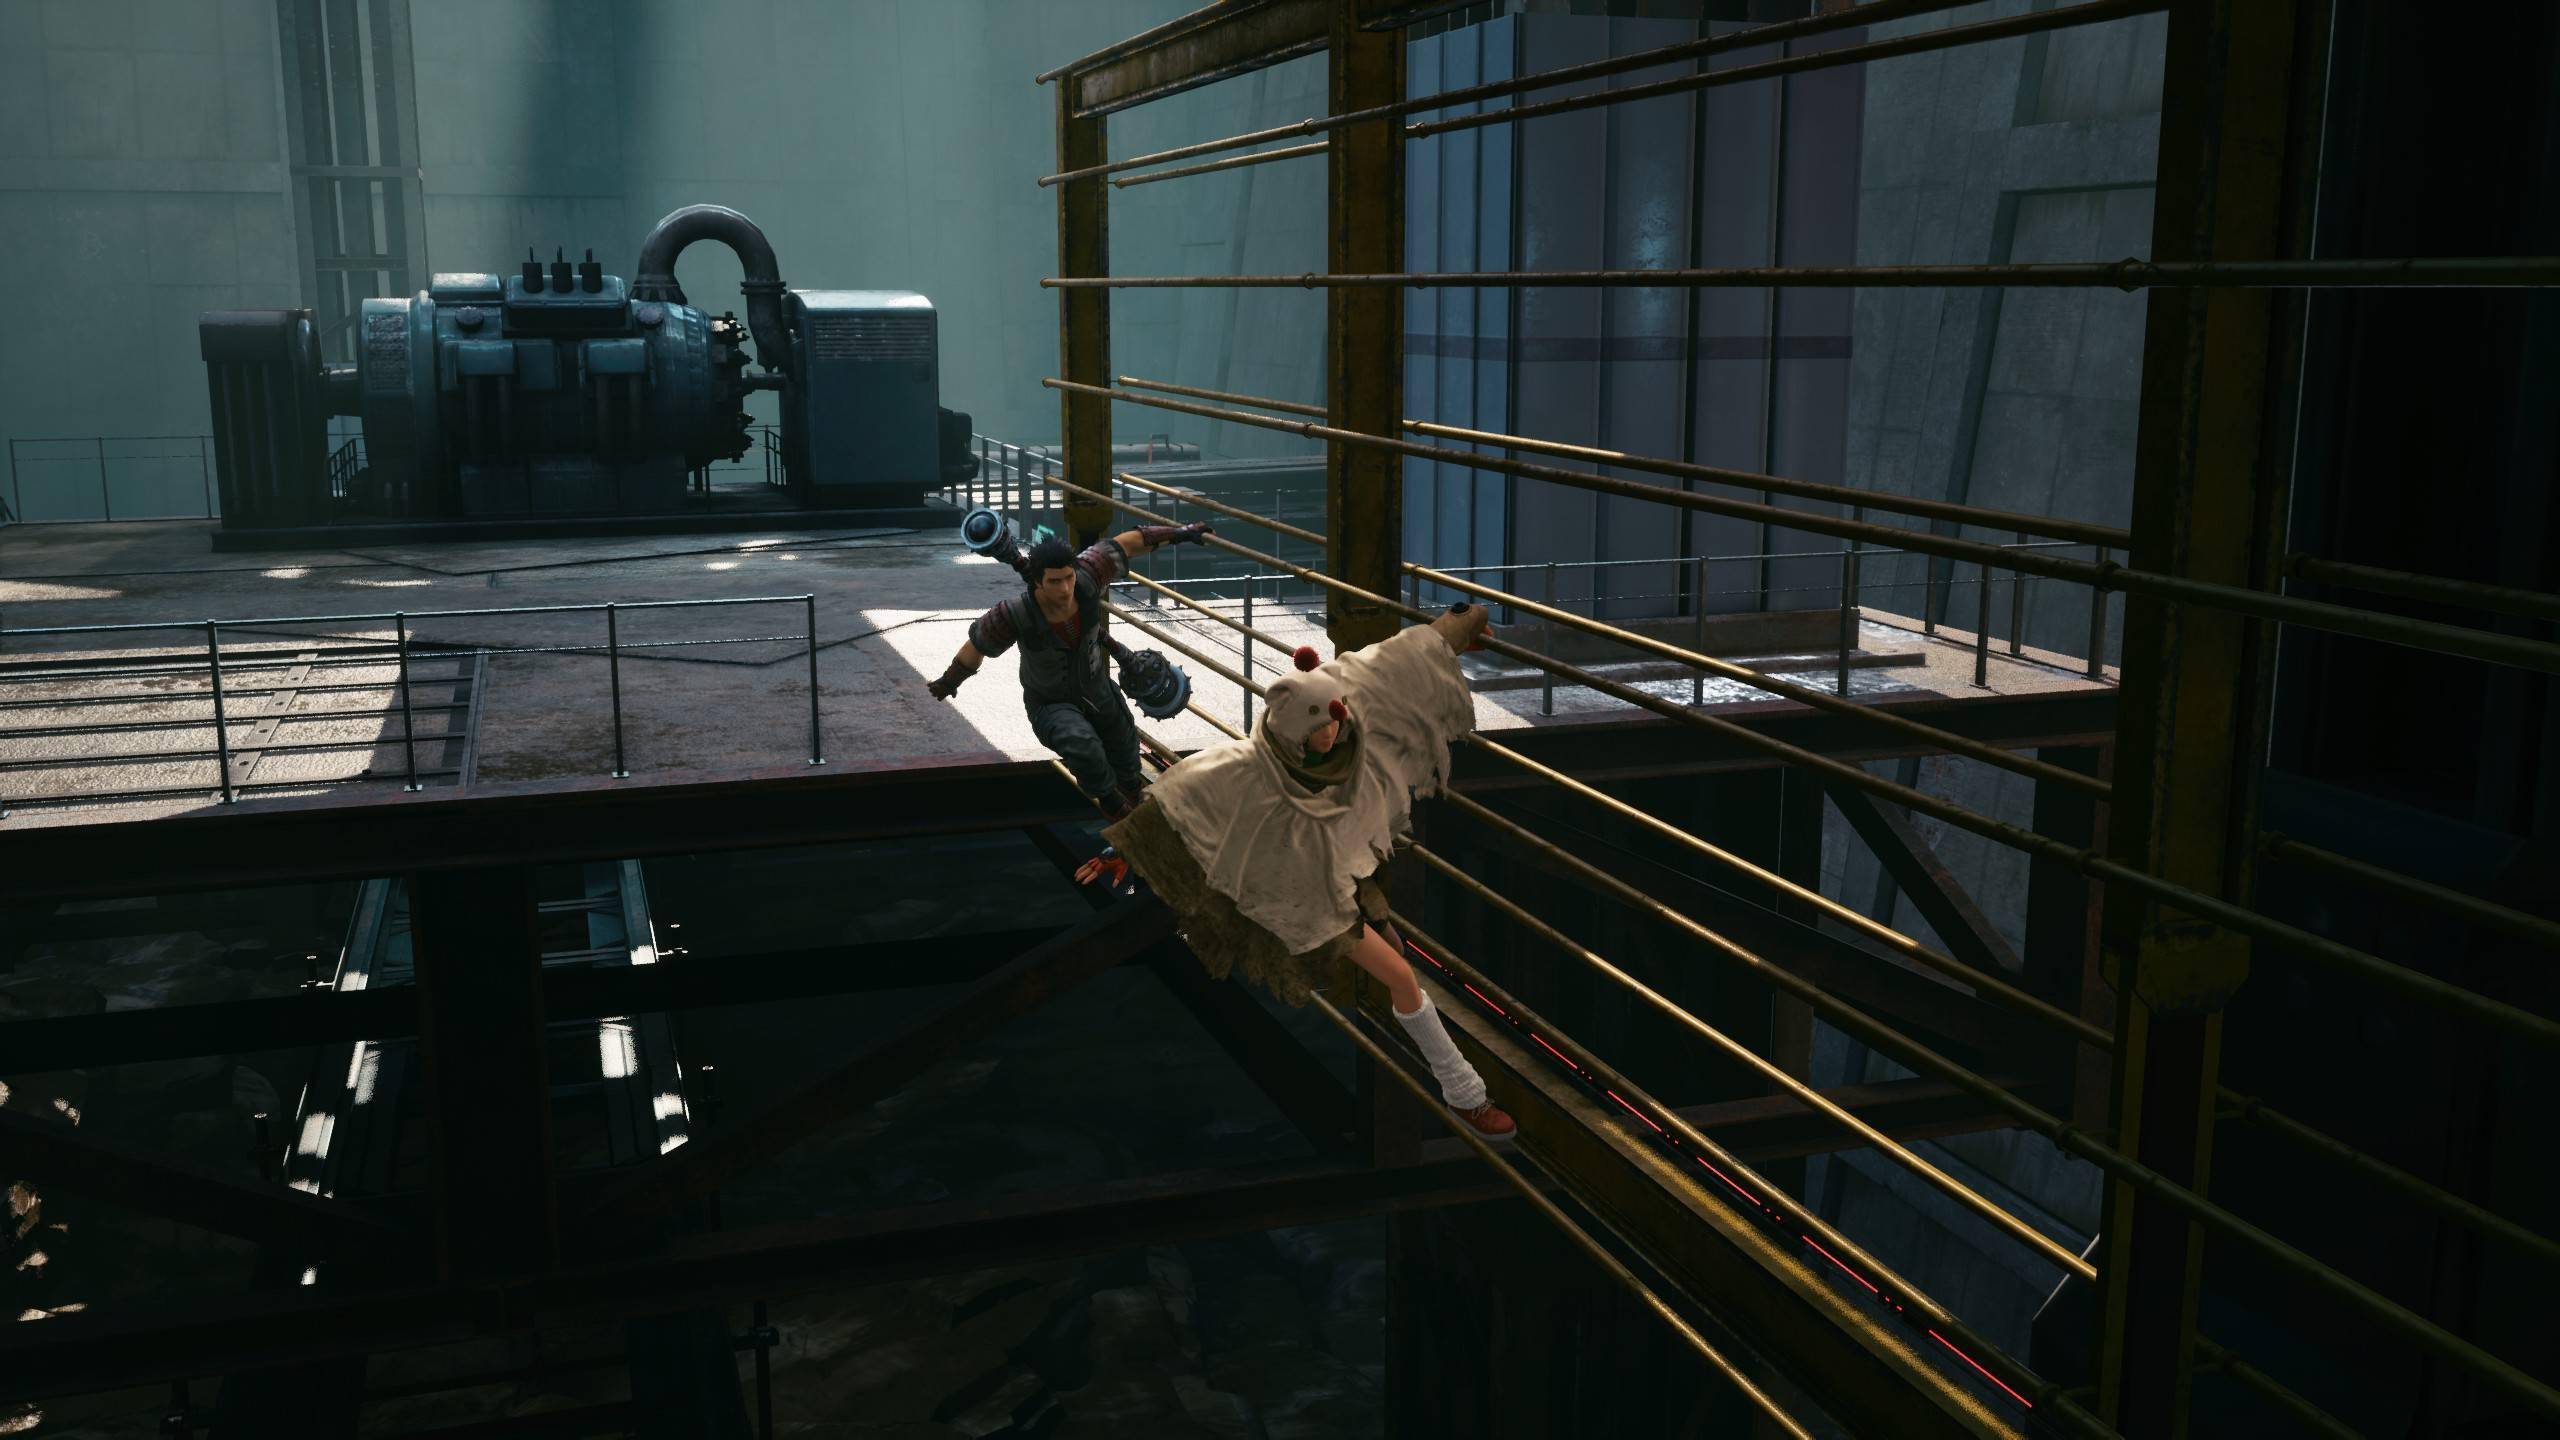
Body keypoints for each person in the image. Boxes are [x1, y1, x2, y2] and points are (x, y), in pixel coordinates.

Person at [1097, 602, 1517, 1140]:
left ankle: (1410, 1005)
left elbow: (1393, 661)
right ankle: (1465, 1093)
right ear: (1296, 730)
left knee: (1395, 951)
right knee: (1400, 974)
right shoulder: (1248, 770)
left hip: (1346, 865)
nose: (1334, 732)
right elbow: (1181, 794)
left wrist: (1456, 629)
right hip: (1307, 889)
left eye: (1337, 718)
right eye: (1322, 726)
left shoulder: (1346, 714)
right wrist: (1126, 849)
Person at [928, 520, 1210, 818]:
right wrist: (949, 682)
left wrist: (1182, 533)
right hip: (1050, 703)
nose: (1064, 589)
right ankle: (1113, 805)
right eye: (1054, 581)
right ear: (1038, 582)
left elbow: (1126, 544)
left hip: (1098, 690)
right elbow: (975, 648)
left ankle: (1131, 790)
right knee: (1082, 746)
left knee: (1126, 747)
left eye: (1068, 578)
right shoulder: (1014, 614)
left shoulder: (1087, 576)